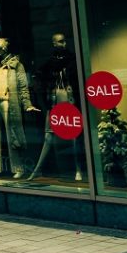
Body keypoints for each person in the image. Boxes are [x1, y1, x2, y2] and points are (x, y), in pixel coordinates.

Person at [29, 34, 82, 182]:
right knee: (48, 136)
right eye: (60, 42)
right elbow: (39, 77)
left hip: (68, 98)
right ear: (54, 43)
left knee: (73, 135)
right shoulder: (49, 63)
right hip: (54, 100)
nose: (63, 44)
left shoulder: (71, 60)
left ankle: (78, 169)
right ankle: (37, 169)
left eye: (64, 41)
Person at [0, 38, 37, 179]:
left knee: (12, 136)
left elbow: (23, 87)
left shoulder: (16, 65)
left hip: (8, 102)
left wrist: (27, 104)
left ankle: (18, 168)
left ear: (5, 48)